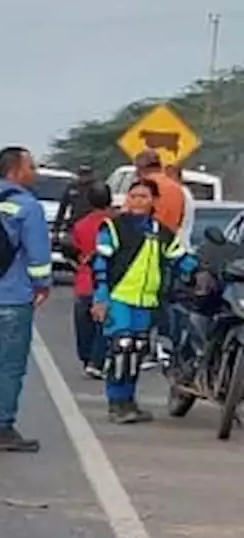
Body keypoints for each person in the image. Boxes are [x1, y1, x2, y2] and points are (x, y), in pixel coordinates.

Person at [0, 146, 53, 452]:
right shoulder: (27, 207)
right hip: (13, 297)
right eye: (31, 166)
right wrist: (42, 284)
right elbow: (39, 255)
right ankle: (1, 427)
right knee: (9, 366)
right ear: (16, 171)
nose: (36, 172)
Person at [90, 178, 197, 423]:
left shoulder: (162, 232)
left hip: (147, 302)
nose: (138, 201)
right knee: (122, 349)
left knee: (137, 351)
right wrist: (101, 297)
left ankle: (129, 402)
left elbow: (179, 259)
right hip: (118, 298)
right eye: (134, 196)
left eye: (144, 197)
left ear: (154, 202)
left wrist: (200, 272)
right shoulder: (113, 227)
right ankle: (116, 404)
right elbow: (100, 263)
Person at [69, 182, 113, 379]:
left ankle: (87, 358)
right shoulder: (115, 224)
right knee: (103, 324)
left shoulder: (80, 225)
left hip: (84, 279)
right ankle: (97, 360)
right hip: (106, 279)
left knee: (84, 323)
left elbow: (74, 251)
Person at [51, 163, 99, 246]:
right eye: (82, 174)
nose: (84, 177)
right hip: (74, 225)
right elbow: (62, 208)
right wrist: (56, 230)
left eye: (86, 174)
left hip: (92, 226)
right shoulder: (73, 187)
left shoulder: (97, 188)